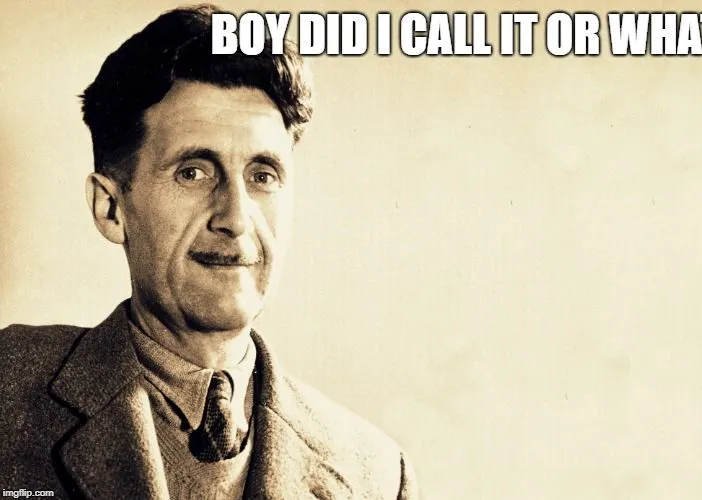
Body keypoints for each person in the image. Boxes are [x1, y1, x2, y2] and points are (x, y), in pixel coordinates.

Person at [0, 4, 417, 499]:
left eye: (263, 176)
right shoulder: (9, 392)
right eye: (193, 172)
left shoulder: (374, 474)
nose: (235, 218)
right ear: (111, 208)